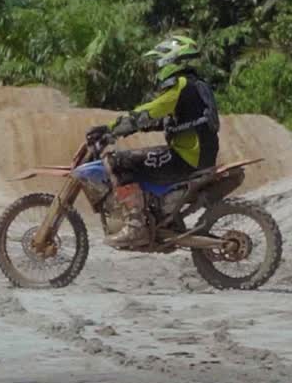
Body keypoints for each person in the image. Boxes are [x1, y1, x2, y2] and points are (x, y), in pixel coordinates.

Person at [88, 34, 220, 246]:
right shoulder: (196, 86)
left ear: (170, 61)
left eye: (158, 62)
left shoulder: (182, 85)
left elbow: (151, 111)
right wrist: (124, 131)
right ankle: (158, 216)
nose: (156, 69)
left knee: (117, 162)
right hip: (199, 155)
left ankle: (136, 226)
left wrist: (111, 128)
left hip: (186, 157)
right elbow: (164, 120)